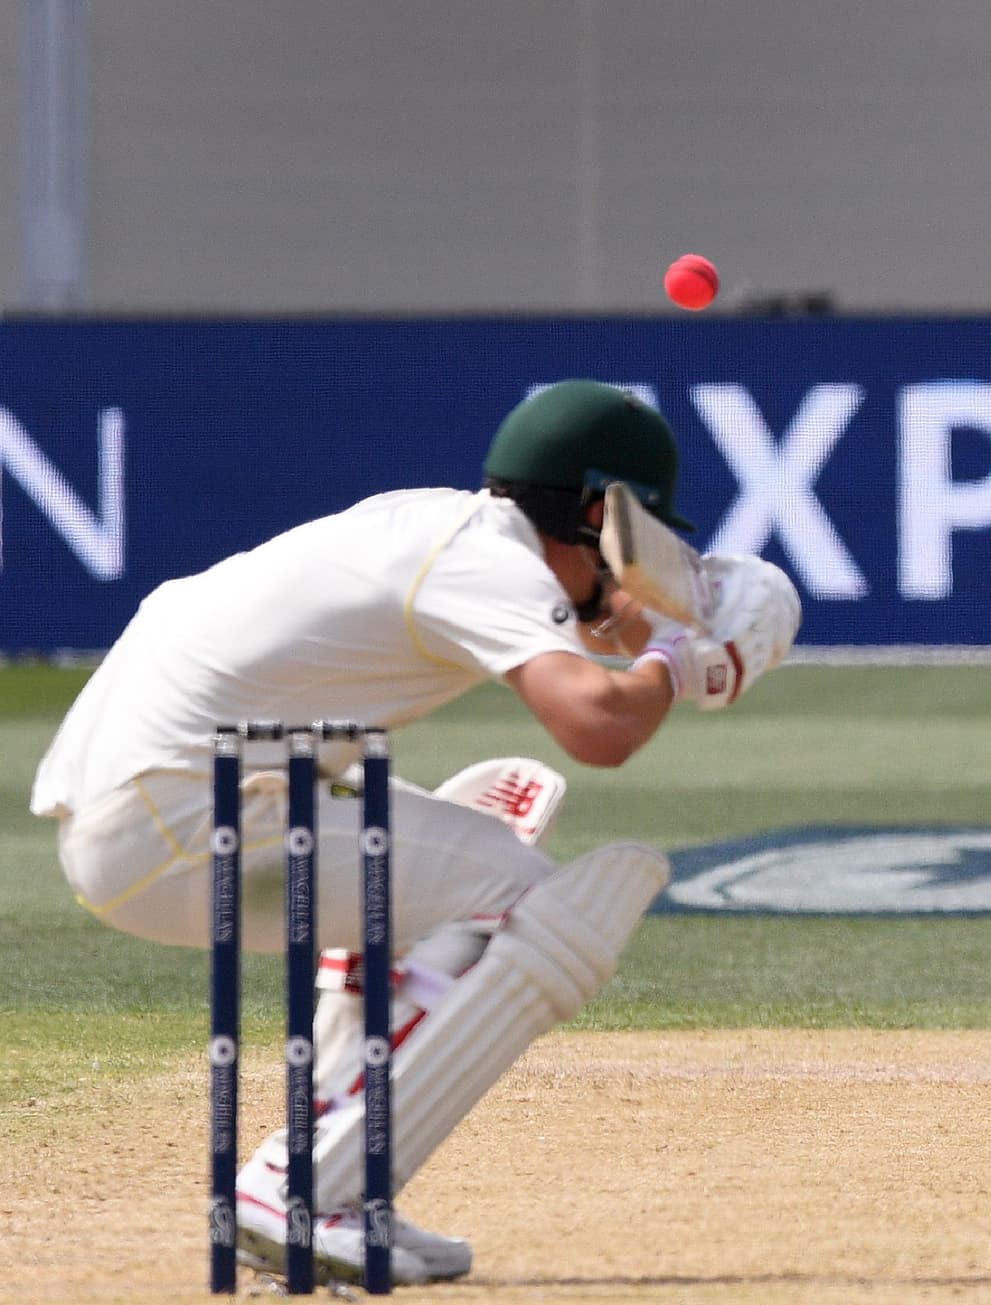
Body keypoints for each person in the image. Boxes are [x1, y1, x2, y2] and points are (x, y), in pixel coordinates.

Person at [29, 380, 802, 1283]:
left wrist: (677, 623)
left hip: (157, 818)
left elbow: (598, 638)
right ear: (600, 513)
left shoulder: (450, 533)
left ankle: (320, 1185)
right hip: (182, 826)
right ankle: (308, 1187)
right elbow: (599, 725)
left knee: (447, 889)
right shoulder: (489, 562)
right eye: (642, 547)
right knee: (534, 901)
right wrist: (688, 655)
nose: (641, 575)